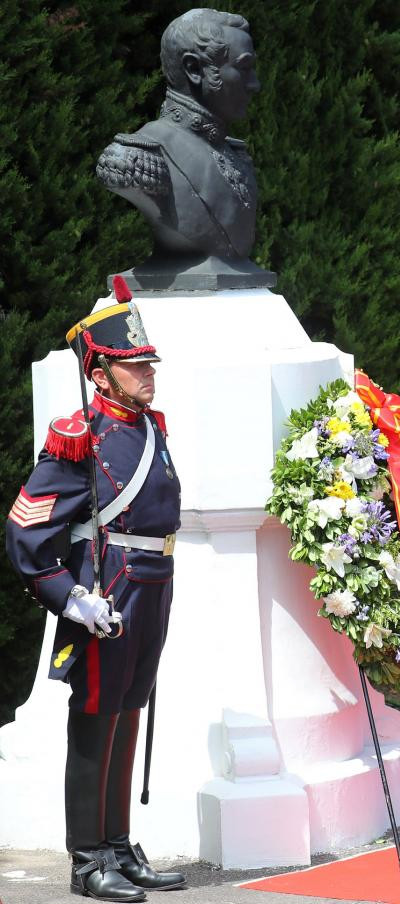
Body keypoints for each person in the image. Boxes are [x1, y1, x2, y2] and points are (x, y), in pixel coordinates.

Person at [5, 284, 185, 902]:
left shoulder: (151, 427)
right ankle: (86, 861)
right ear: (99, 372)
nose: (147, 373)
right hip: (106, 590)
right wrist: (69, 596)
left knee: (128, 712)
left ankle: (117, 846)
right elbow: (26, 529)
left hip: (153, 585)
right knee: (94, 715)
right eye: (134, 364)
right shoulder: (79, 437)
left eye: (148, 363)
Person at [97, 9, 263, 268]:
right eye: (243, 68)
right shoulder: (140, 155)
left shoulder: (235, 154)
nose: (254, 84)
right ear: (193, 68)